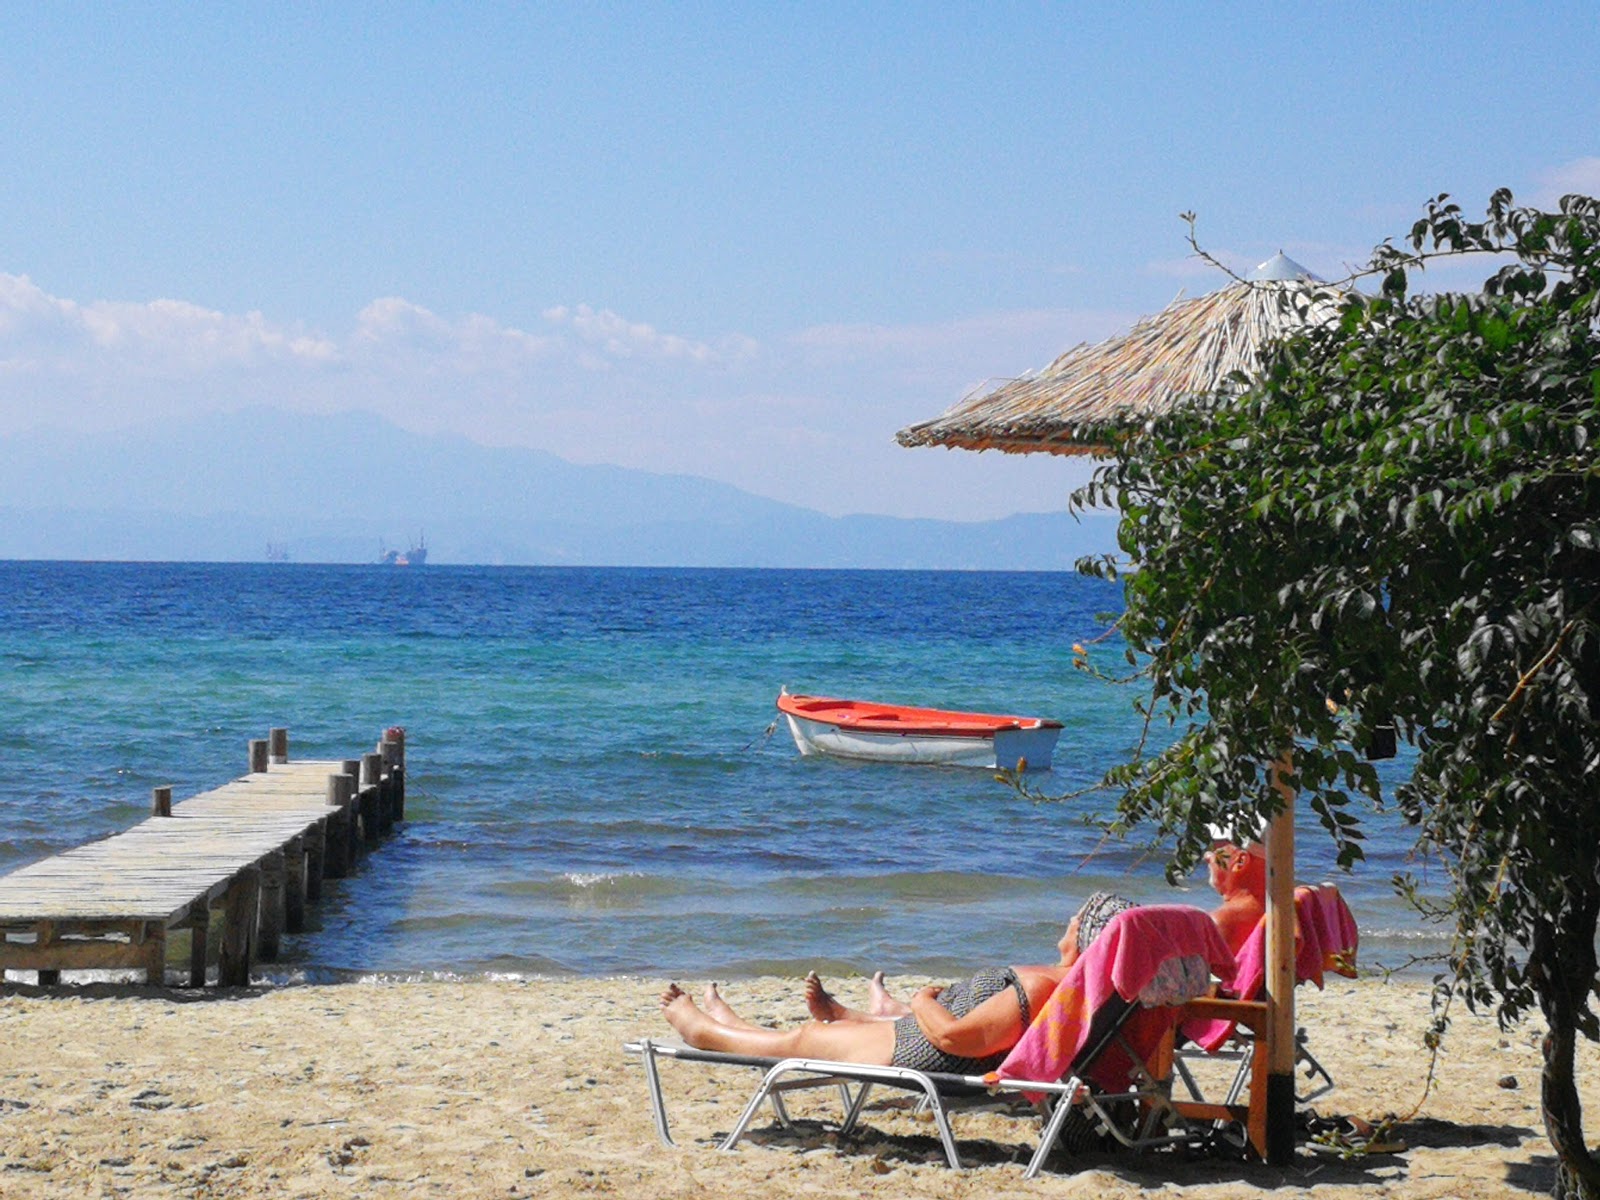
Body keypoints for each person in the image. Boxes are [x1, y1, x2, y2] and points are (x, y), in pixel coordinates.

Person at [658, 892, 1132, 1076]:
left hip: (921, 1050)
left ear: (1086, 938)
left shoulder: (1045, 989)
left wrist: (921, 1000)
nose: (1068, 921)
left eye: (1077, 919)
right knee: (810, 1036)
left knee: (806, 1038)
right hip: (918, 1040)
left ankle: (706, 1033)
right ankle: (733, 1023)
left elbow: (955, 1038)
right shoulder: (1070, 987)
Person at [805, 834, 1267, 1022]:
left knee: (1022, 995)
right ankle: (892, 1009)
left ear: (1241, 859)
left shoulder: (1216, 922)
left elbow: (1179, 984)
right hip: (1157, 1010)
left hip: (1151, 1015)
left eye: (1217, 851)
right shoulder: (1264, 914)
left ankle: (879, 1015)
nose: (1207, 857)